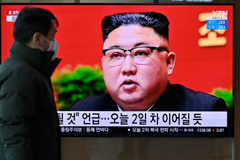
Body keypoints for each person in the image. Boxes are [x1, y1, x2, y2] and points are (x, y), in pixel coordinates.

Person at [69, 11, 228, 113]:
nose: (127, 68)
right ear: (103, 64)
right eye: (116, 55)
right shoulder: (82, 112)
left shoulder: (204, 111)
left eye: (140, 53)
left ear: (169, 62)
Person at [0, 7, 61, 160]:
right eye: (52, 35)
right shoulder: (20, 74)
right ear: (37, 39)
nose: (54, 42)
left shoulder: (31, 71)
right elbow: (14, 133)